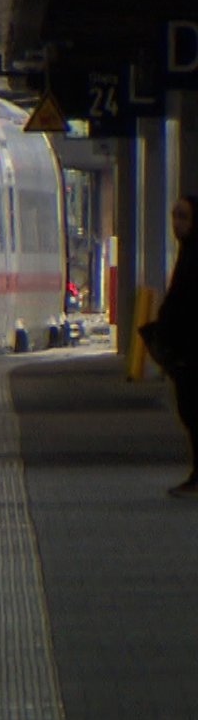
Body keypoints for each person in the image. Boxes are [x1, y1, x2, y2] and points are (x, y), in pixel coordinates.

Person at [158, 195, 198, 498]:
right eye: (174, 216)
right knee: (189, 413)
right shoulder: (186, 254)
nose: (176, 223)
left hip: (192, 352)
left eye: (183, 217)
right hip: (185, 352)